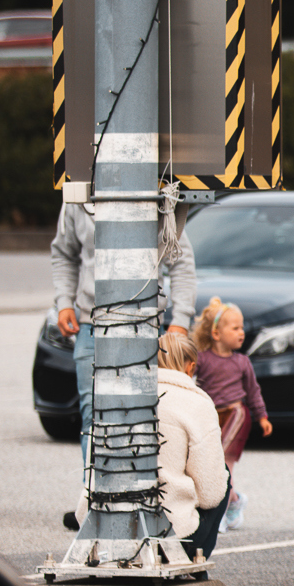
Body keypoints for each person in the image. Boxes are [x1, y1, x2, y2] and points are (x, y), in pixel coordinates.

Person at [50, 191, 198, 456]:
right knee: (94, 417)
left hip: (147, 326)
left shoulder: (156, 195)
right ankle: (93, 482)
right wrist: (64, 302)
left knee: (147, 415)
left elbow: (181, 262)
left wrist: (181, 321)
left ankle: (145, 480)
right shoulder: (77, 197)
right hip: (91, 326)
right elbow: (64, 253)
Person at [155, 333, 231, 560]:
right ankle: (196, 558)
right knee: (222, 475)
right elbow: (210, 493)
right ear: (190, 367)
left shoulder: (122, 396)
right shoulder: (197, 403)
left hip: (106, 526)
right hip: (172, 531)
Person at [192, 296, 270, 467]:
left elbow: (253, 391)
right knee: (208, 456)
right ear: (216, 334)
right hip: (211, 415)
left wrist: (262, 416)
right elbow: (188, 381)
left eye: (242, 328)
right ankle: (224, 484)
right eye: (235, 328)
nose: (241, 332)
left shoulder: (242, 362)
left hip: (236, 414)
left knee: (224, 457)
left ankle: (228, 484)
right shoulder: (202, 359)